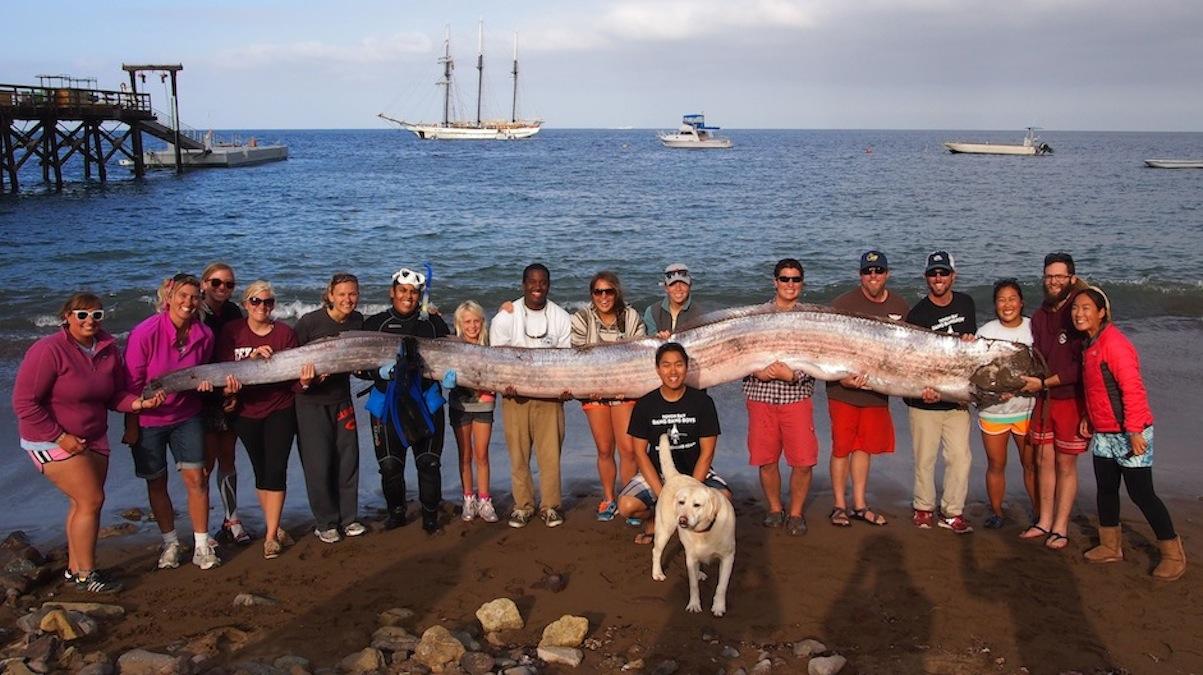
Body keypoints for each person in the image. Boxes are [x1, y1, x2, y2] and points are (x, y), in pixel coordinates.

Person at [13, 294, 165, 593]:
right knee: (91, 500)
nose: (89, 321)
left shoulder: (107, 350)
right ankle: (86, 574)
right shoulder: (48, 349)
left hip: (93, 436)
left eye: (96, 315)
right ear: (67, 317)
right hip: (49, 438)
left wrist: (139, 404)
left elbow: (113, 396)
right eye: (82, 315)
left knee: (81, 503)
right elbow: (24, 403)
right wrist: (60, 437)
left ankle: (73, 570)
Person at [1073, 287, 1185, 580]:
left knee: (1141, 493)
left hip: (1130, 432)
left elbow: (1132, 389)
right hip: (1105, 433)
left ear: (1102, 312)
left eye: (1086, 308)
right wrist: (1088, 416)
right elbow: (1096, 389)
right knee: (1106, 489)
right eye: (1075, 308)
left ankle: (1173, 553)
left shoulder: (1115, 344)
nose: (1078, 313)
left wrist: (1134, 430)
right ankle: (1110, 546)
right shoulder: (1090, 344)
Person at [124, 274, 225, 571]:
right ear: (168, 297)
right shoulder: (144, 333)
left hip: (187, 415)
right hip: (148, 418)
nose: (188, 303)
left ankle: (202, 545)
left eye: (194, 297)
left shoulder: (204, 335)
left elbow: (200, 374)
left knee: (197, 479)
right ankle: (170, 543)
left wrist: (205, 386)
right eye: (182, 296)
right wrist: (131, 425)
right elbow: (131, 384)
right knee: (157, 482)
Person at [218, 281, 312, 559]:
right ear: (246, 304)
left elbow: (294, 382)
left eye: (268, 302)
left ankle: (270, 535)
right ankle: (276, 524)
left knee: (276, 468)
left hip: (280, 408)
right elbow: (222, 371)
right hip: (245, 411)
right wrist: (250, 361)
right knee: (260, 470)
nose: (263, 307)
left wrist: (305, 383)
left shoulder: (284, 333)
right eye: (256, 301)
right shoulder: (231, 332)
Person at [362, 267, 451, 534]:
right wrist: (376, 372)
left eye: (414, 292)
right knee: (390, 465)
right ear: (392, 292)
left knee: (428, 463)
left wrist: (451, 376)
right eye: (403, 291)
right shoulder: (374, 324)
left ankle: (431, 517)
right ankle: (397, 513)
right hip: (386, 403)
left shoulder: (433, 323)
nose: (408, 296)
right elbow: (358, 365)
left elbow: (451, 358)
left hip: (426, 402)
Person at [826, 250, 909, 527]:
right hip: (843, 392)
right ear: (860, 275)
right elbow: (825, 346)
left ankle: (859, 504)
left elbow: (908, 353)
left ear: (887, 273)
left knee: (864, 448)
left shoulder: (900, 305)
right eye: (867, 272)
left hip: (876, 392)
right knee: (841, 448)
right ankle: (839, 505)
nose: (873, 276)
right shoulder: (843, 303)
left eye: (878, 271)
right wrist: (840, 379)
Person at [618, 342, 730, 544]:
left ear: (687, 368)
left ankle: (693, 526)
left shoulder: (703, 403)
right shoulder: (645, 404)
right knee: (626, 506)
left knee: (724, 500)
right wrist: (665, 498)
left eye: (679, 364)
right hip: (659, 474)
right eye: (666, 365)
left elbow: (707, 453)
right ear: (657, 369)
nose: (673, 371)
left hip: (695, 471)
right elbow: (640, 454)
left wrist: (693, 489)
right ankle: (655, 519)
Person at [489, 263, 573, 529]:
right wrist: (505, 384)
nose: (538, 287)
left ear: (549, 285)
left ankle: (550, 506)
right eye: (532, 282)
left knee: (550, 456)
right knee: (518, 455)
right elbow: (497, 358)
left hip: (550, 398)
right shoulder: (505, 317)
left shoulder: (561, 317)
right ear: (523, 284)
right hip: (515, 398)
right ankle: (522, 506)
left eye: (543, 282)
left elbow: (567, 360)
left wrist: (565, 388)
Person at [742, 258, 818, 536]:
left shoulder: (812, 319)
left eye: (795, 279)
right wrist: (756, 372)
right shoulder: (755, 316)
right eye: (784, 279)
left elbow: (821, 356)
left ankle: (796, 512)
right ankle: (775, 508)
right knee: (766, 459)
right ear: (775, 282)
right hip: (760, 395)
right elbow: (739, 352)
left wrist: (794, 376)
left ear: (802, 283)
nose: (790, 284)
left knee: (803, 460)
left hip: (796, 396)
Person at [1018, 252, 1089, 550]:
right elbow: (1037, 359)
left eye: (1060, 276)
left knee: (1065, 464)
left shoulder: (1079, 312)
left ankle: (1061, 527)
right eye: (1049, 276)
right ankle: (1043, 520)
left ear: (1071, 278)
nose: (1054, 281)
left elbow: (1080, 366)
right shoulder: (1039, 316)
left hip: (1070, 399)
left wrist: (1045, 383)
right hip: (1043, 399)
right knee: (1042, 460)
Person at [904, 251, 977, 534]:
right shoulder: (918, 313)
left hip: (956, 399)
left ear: (953, 276)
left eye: (943, 273)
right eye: (933, 273)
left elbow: (966, 355)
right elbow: (910, 359)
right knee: (925, 458)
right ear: (926, 278)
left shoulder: (966, 303)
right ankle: (923, 508)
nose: (938, 278)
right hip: (924, 400)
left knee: (960, 458)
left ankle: (952, 512)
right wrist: (923, 390)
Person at [294, 273, 366, 543]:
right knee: (319, 464)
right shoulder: (309, 323)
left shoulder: (358, 321)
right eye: (343, 294)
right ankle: (325, 522)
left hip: (342, 399)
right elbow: (289, 362)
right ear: (331, 295)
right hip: (310, 403)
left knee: (348, 459)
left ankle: (349, 518)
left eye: (353, 294)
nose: (348, 299)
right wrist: (305, 381)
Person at [571, 271, 647, 522]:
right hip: (594, 391)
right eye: (598, 292)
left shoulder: (631, 317)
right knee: (604, 449)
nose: (604, 297)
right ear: (592, 295)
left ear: (617, 292)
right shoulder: (582, 318)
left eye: (609, 291)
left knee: (628, 450)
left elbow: (640, 355)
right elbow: (577, 357)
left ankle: (629, 498)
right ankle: (608, 498)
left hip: (625, 389)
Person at [975, 279, 1037, 529]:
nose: (1007, 304)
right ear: (995, 304)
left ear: (1021, 302)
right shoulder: (985, 332)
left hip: (1027, 411)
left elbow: (1043, 368)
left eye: (1012, 299)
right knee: (996, 464)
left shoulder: (1035, 329)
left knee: (1031, 464)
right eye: (1002, 300)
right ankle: (997, 512)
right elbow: (976, 372)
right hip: (993, 411)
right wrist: (992, 391)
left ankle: (1039, 511)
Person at [197, 262, 251, 546]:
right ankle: (202, 528)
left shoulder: (232, 313)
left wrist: (232, 394)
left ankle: (232, 519)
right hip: (200, 394)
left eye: (229, 285)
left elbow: (238, 353)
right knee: (205, 462)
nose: (222, 289)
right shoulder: (195, 312)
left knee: (228, 457)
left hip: (228, 390)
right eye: (216, 283)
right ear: (204, 283)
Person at [449, 300, 498, 523]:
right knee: (465, 455)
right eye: (467, 322)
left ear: (482, 322)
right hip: (459, 404)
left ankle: (485, 500)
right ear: (459, 324)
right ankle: (468, 498)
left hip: (484, 403)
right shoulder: (453, 345)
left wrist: (507, 307)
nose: (472, 326)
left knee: (482, 455)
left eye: (476, 321)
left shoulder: (490, 344)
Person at [644, 263, 704, 338]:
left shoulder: (700, 313)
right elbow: (649, 340)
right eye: (673, 284)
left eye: (683, 284)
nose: (678, 288)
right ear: (666, 288)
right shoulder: (652, 312)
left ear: (690, 286)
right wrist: (656, 337)